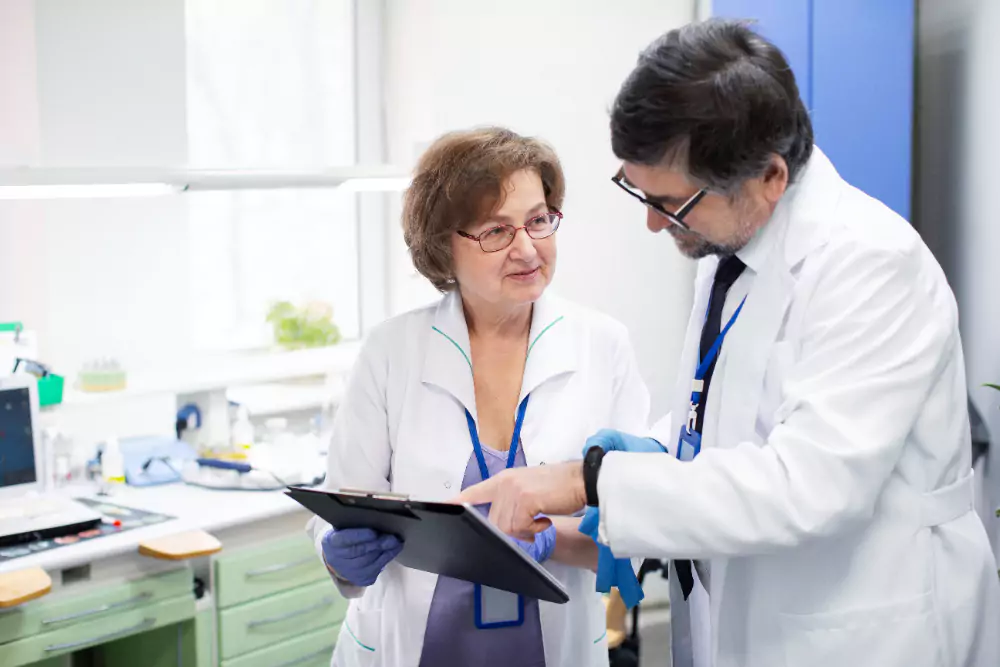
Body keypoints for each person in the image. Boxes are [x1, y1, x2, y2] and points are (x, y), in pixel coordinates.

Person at [458, 19, 1000, 667]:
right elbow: (731, 414)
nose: (655, 223)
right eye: (640, 191)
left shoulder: (872, 264)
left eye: (673, 203)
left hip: (861, 624)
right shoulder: (732, 246)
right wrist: (660, 448)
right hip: (744, 611)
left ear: (769, 176)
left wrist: (592, 480)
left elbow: (810, 486)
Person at [306, 126, 650, 667]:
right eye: (496, 231)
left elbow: (638, 521)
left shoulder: (602, 345)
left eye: (539, 220)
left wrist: (549, 539)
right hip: (411, 647)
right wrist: (340, 557)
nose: (527, 248)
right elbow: (344, 505)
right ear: (445, 244)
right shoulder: (393, 349)